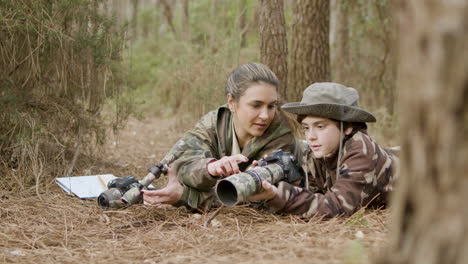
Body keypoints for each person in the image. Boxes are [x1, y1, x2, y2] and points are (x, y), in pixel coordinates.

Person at [142, 62, 297, 211]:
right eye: (256, 105)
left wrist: (185, 196)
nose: (265, 115)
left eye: (271, 106)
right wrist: (211, 168)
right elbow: (183, 165)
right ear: (231, 102)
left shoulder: (281, 137)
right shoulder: (215, 122)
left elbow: (253, 200)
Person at [248, 82, 400, 218]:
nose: (311, 136)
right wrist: (270, 183)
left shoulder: (360, 150)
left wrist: (279, 195)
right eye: (306, 128)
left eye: (320, 126)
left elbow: (337, 207)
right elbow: (314, 193)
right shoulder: (318, 152)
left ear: (347, 127)